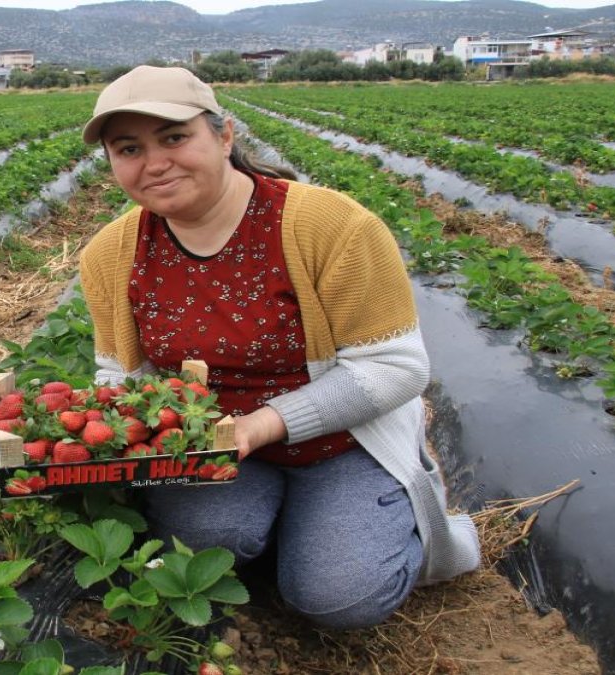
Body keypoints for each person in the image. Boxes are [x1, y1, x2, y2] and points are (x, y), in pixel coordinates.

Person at [78, 66, 480, 630]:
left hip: (343, 442)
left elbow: (396, 367)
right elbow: (117, 373)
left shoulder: (332, 227)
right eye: (129, 148)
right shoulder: (110, 254)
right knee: (205, 542)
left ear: (224, 136)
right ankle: (291, 524)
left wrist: (260, 425)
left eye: (174, 137)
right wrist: (89, 428)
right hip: (211, 447)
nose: (155, 162)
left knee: (338, 598)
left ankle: (398, 521)